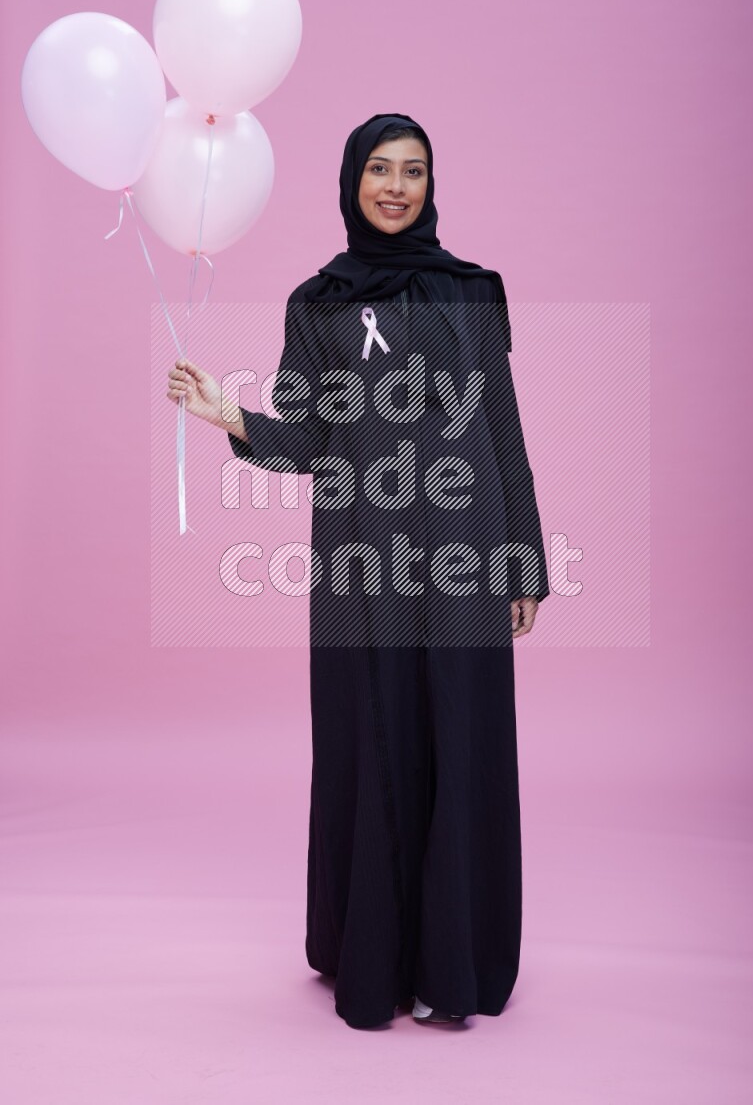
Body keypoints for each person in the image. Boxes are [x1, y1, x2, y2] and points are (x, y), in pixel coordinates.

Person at [166, 113, 549, 1029]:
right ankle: (375, 956)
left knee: (459, 743)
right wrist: (234, 415)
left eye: (413, 171)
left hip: (464, 557)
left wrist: (523, 559)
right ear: (351, 181)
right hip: (361, 564)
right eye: (378, 169)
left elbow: (501, 430)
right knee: (370, 742)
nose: (395, 186)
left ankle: (453, 966)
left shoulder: (473, 291)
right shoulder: (319, 302)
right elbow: (307, 440)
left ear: (430, 185)